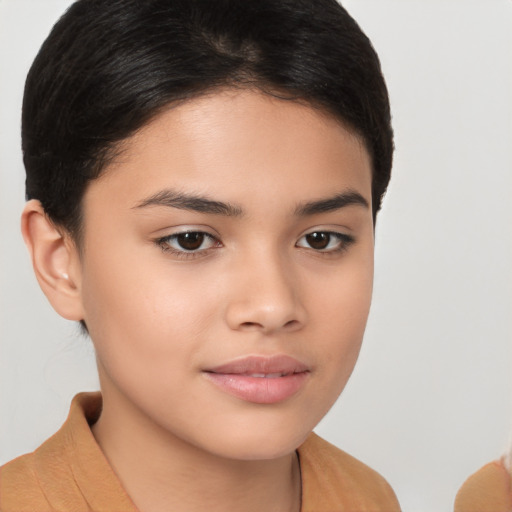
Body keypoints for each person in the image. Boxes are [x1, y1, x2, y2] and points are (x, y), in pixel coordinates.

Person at [0, 0, 400, 510]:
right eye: (190, 239)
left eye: (321, 239)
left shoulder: (368, 498)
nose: (273, 305)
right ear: (60, 262)